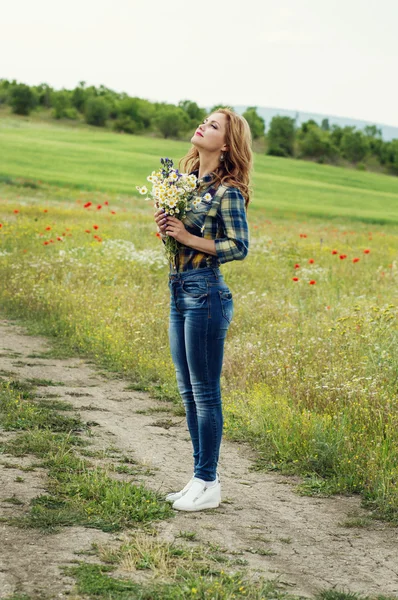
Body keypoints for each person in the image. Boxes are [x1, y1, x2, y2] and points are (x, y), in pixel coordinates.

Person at [154, 108, 252, 511]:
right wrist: (167, 230)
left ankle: (208, 482)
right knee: (188, 392)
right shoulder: (186, 185)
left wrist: (188, 238)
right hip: (179, 290)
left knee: (206, 393)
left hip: (206, 295)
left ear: (226, 144)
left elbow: (238, 246)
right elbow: (178, 241)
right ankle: (199, 477)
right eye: (205, 121)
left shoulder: (227, 192)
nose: (203, 126)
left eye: (214, 126)